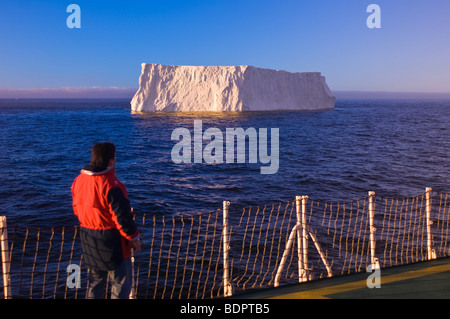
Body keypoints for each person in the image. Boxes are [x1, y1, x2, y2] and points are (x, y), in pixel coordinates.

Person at [71, 142, 141, 299]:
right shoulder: (112, 185)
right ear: (110, 161)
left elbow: (77, 209)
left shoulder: (78, 181)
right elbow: (123, 220)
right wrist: (134, 238)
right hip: (113, 243)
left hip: (89, 240)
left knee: (94, 284)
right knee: (121, 285)